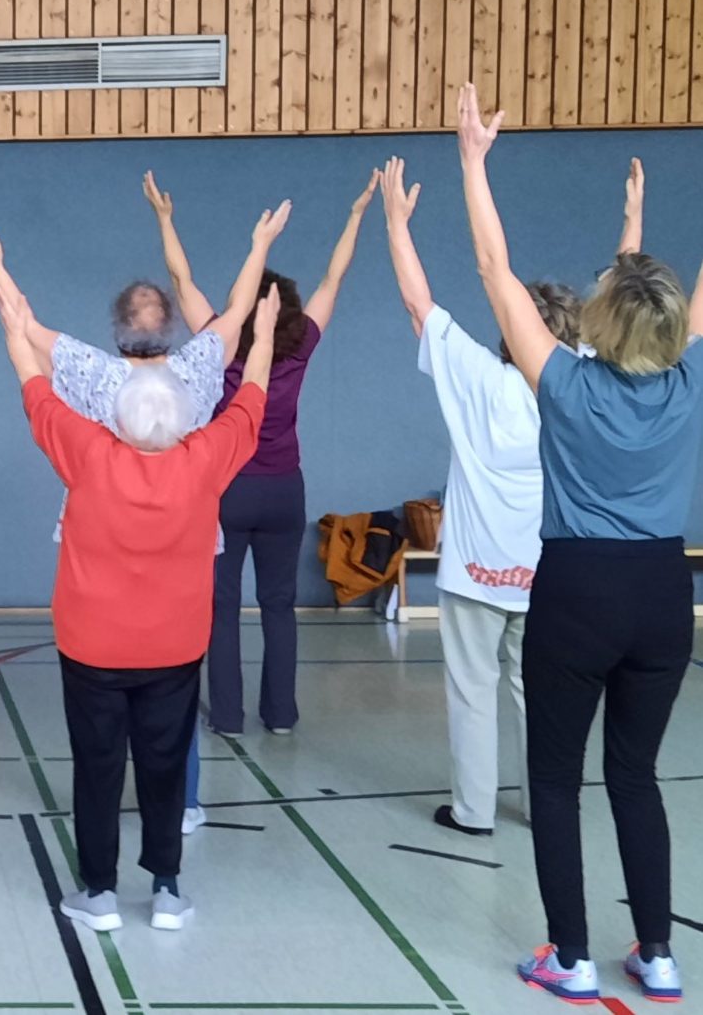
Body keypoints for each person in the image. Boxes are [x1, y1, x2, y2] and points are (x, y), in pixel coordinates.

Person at [458, 82, 700, 1004]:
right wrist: (635, 233)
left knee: (554, 780)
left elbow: (493, 264)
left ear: (599, 319)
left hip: (578, 591)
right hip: (660, 596)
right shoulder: (687, 380)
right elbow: (650, 317)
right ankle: (661, 954)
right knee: (636, 777)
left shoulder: (562, 382)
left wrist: (475, 163)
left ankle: (568, 955)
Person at [0, 215, 277, 932]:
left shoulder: (86, 450)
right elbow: (252, 400)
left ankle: (99, 893)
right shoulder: (205, 457)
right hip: (173, 648)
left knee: (98, 764)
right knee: (166, 764)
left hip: (93, 648)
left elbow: (26, 360)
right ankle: (167, 889)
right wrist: (261, 335)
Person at [379, 155, 584, 837]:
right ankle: (540, 803)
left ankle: (472, 810)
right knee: (540, 695)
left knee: (473, 693)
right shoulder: (577, 384)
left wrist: (396, 224)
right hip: (549, 572)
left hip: (474, 571)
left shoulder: (479, 378)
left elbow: (419, 304)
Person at [207, 171, 379, 738]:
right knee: (280, 607)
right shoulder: (301, 340)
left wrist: (166, 223)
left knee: (222, 607)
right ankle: (280, 716)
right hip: (285, 490)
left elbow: (186, 280)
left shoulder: (224, 345)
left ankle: (228, 717)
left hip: (229, 490)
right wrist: (355, 216)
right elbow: (336, 274)